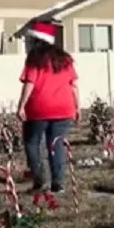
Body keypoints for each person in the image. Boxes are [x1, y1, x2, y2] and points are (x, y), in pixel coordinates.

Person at [17, 21, 78, 193]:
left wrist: (21, 105)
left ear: (36, 40)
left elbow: (30, 83)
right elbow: (73, 85)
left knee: (32, 143)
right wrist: (78, 107)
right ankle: (58, 184)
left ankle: (40, 180)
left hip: (39, 109)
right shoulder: (64, 58)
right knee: (56, 144)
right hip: (64, 108)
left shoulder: (34, 58)